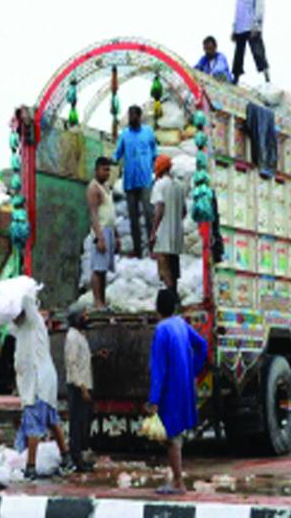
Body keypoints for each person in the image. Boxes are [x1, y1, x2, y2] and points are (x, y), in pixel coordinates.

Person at [145, 289, 208, 495]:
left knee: (171, 438)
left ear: (157, 308)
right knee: (176, 437)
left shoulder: (162, 330)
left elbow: (158, 367)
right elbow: (203, 345)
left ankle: (178, 481)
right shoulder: (181, 324)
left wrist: (154, 399)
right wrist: (194, 370)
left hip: (169, 390)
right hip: (184, 387)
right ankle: (177, 478)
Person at [11, 298, 74, 480]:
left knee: (34, 425)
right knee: (51, 420)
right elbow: (11, 327)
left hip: (38, 382)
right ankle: (66, 457)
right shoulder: (22, 328)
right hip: (38, 382)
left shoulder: (34, 321)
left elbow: (27, 307)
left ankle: (30, 467)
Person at [113, 105, 157, 258]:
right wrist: (110, 161)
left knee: (149, 213)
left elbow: (154, 152)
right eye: (129, 115)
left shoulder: (148, 133)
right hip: (130, 182)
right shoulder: (124, 135)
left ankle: (153, 248)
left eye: (133, 115)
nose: (131, 118)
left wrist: (151, 168)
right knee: (133, 218)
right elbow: (117, 153)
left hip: (145, 180)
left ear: (139, 116)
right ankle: (137, 250)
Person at [64, 310, 105, 472]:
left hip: (83, 385)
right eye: (83, 317)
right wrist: (82, 388)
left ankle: (81, 456)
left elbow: (82, 360)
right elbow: (72, 364)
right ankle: (76, 459)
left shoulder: (79, 336)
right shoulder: (72, 337)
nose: (86, 319)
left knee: (83, 423)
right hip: (78, 387)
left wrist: (95, 356)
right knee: (77, 423)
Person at [150, 155, 187, 293]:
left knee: (164, 267)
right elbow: (184, 212)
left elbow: (159, 209)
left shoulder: (159, 185)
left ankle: (170, 297)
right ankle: (175, 297)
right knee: (174, 265)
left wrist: (153, 232)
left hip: (163, 233)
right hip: (177, 233)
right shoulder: (179, 186)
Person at [231, 0, 270, 85]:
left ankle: (267, 77)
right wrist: (234, 27)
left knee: (258, 52)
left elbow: (259, 3)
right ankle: (236, 77)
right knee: (238, 55)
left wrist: (257, 24)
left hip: (252, 24)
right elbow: (238, 7)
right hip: (240, 25)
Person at [86, 157, 118, 309]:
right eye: (104, 170)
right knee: (98, 269)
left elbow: (110, 211)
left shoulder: (106, 186)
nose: (107, 173)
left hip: (109, 229)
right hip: (100, 230)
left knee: (104, 269)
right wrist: (99, 237)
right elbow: (93, 214)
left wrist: (115, 234)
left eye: (109, 170)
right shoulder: (93, 188)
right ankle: (97, 302)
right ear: (97, 170)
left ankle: (102, 302)